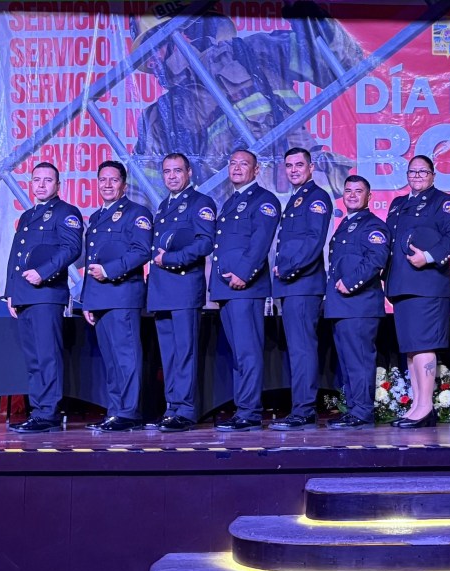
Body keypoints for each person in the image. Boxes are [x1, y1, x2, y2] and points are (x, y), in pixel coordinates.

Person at [131, 2, 363, 194]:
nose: (151, 63)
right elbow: (146, 192)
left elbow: (342, 64)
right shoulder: (159, 117)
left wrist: (308, 19)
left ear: (186, 33)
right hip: (234, 222)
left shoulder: (254, 52)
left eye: (154, 48)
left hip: (302, 199)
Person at [383, 155, 450, 428]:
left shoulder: (442, 201)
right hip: (402, 286)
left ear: (433, 175)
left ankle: (426, 407)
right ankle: (417, 405)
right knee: (410, 349)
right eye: (412, 172)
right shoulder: (398, 204)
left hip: (427, 285)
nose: (417, 176)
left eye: (423, 172)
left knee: (424, 345)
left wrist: (429, 256)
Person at [6, 163, 83, 434]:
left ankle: (48, 412)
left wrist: (43, 272)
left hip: (46, 293)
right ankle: (38, 410)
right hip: (25, 294)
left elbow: (72, 248)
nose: (41, 185)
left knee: (47, 355)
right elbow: (16, 255)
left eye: (47, 180)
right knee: (34, 358)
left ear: (57, 185)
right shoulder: (28, 216)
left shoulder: (66, 213)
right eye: (36, 180)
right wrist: (11, 292)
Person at [210, 150, 280, 432]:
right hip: (227, 289)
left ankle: (250, 412)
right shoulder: (231, 201)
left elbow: (260, 241)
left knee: (248, 352)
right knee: (239, 354)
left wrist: (244, 273)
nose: (237, 168)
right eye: (233, 163)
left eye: (244, 164)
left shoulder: (264, 200)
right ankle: (243, 408)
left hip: (245, 287)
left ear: (256, 169)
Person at [81, 161, 153, 432]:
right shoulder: (97, 217)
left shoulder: (137, 213)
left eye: (113, 180)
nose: (107, 185)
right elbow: (91, 261)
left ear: (124, 184)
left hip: (123, 295)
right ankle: (115, 411)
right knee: (111, 361)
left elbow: (141, 251)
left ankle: (129, 412)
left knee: (126, 358)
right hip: (98, 298)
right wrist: (87, 300)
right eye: (102, 179)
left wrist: (109, 271)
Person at [147, 153, 216, 432]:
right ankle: (171, 408)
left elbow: (205, 243)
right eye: (167, 172)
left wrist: (171, 260)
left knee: (185, 352)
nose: (172, 176)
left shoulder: (201, 203)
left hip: (184, 288)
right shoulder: (164, 205)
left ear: (189, 172)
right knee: (170, 356)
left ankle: (185, 410)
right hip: (162, 290)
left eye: (177, 171)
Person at [270, 147, 333, 431]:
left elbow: (313, 242)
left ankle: (305, 410)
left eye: (299, 165)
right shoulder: (297, 199)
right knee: (297, 350)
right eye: (289, 165)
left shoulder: (316, 197)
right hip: (291, 285)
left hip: (303, 285)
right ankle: (300, 407)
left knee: (303, 349)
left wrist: (288, 268)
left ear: (311, 168)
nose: (294, 170)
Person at [324, 175, 390, 430]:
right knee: (348, 362)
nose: (352, 195)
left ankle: (362, 411)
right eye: (348, 190)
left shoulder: (373, 225)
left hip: (359, 305)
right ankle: (354, 409)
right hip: (341, 305)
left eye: (358, 191)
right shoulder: (345, 224)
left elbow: (376, 259)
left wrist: (349, 282)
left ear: (369, 197)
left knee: (360, 360)